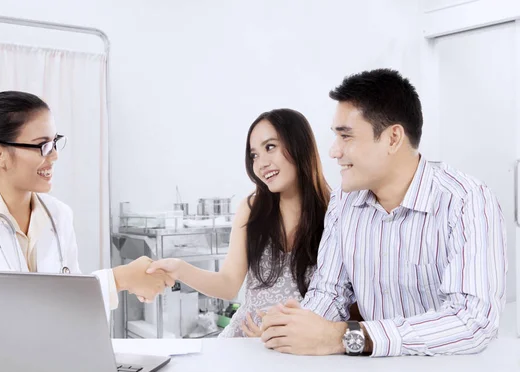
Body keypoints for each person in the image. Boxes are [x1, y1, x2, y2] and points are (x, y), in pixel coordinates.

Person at [260, 69, 507, 356]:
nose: (334, 151)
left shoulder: (467, 201)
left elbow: (473, 322)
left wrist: (346, 337)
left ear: (392, 138)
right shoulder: (345, 201)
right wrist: (296, 327)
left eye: (346, 136)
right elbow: (329, 293)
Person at [0, 91, 174, 339]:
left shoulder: (58, 215)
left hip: (30, 361)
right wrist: (119, 279)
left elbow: (73, 307)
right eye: (42, 145)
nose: (54, 155)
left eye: (55, 142)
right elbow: (4, 309)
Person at [146, 108, 331, 337]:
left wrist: (283, 333)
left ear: (299, 145)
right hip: (245, 339)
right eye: (254, 155)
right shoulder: (252, 209)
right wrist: (179, 269)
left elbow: (339, 300)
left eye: (270, 147)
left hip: (301, 344)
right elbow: (228, 284)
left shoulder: (334, 211)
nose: (261, 163)